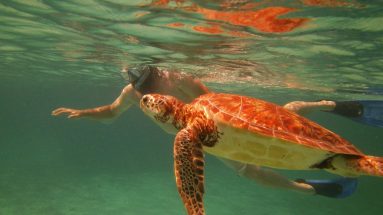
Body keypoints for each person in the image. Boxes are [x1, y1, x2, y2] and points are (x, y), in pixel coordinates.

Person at [52, 64, 357, 198]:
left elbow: (217, 103)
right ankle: (313, 189)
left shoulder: (179, 78)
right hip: (201, 137)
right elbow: (111, 113)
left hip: (216, 129)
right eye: (146, 89)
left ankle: (320, 105)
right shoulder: (133, 93)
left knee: (275, 132)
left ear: (159, 74)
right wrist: (84, 113)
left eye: (155, 84)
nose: (155, 91)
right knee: (252, 171)